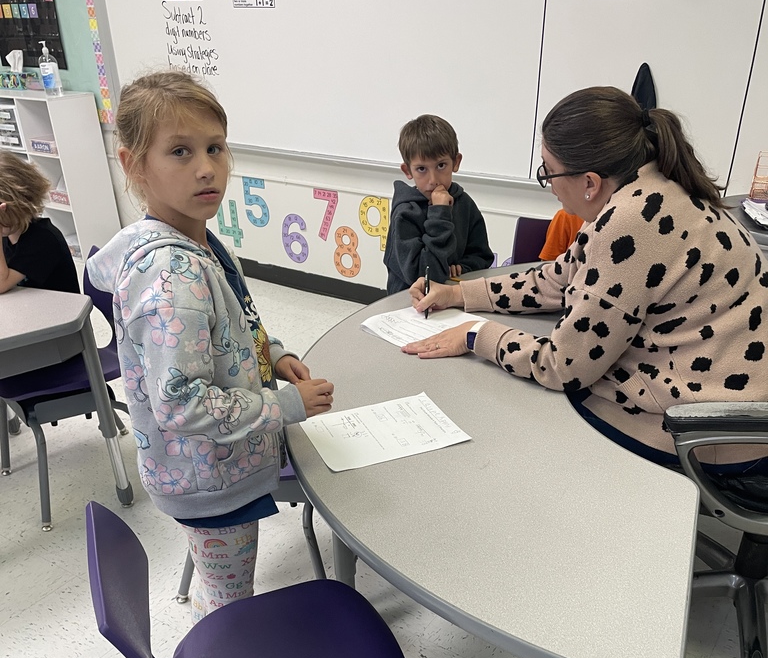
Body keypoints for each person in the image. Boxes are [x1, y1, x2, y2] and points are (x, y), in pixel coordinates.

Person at [402, 85, 768, 469]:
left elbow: (562, 366)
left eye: (548, 172)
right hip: (731, 403)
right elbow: (557, 280)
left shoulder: (631, 223)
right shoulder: (648, 186)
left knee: (521, 423)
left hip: (709, 432)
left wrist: (475, 335)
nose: (549, 185)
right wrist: (458, 294)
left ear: (589, 182)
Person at [87, 70, 334, 622]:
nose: (207, 168)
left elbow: (235, 328)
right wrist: (285, 405)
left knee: (222, 583)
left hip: (218, 463)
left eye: (215, 148)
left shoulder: (198, 239)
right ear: (133, 166)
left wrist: (276, 354)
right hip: (208, 476)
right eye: (180, 151)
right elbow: (181, 403)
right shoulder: (171, 276)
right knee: (228, 604)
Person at [383, 114, 494, 295]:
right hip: (409, 306)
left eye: (441, 165)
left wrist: (463, 268)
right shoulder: (405, 214)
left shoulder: (465, 203)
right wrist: (439, 213)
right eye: (421, 169)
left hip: (454, 298)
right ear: (407, 171)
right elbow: (424, 278)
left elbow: (482, 256)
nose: (433, 180)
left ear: (456, 162)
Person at [0, 152, 79, 295]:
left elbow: (1, 284)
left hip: (57, 312)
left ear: (19, 204)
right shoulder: (7, 234)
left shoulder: (42, 238)